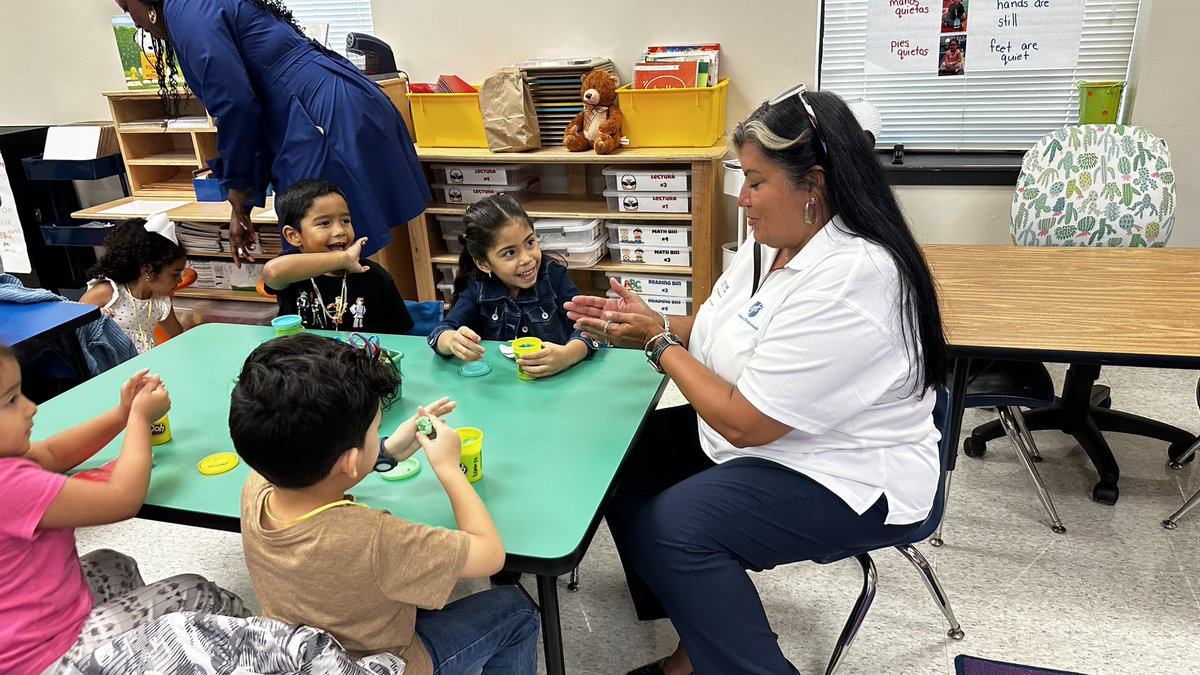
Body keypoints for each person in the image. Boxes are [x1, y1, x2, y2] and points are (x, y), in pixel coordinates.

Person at [565, 85, 948, 675]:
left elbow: (746, 424)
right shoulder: (770, 242)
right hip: (779, 434)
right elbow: (727, 325)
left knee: (674, 530)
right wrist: (655, 322)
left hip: (850, 471)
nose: (742, 198)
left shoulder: (854, 278)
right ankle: (699, 636)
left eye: (756, 182)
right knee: (618, 465)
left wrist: (657, 345)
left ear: (813, 186)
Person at [228, 334, 540, 675]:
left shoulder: (255, 487)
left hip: (302, 656)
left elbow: (327, 473)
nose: (379, 435)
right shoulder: (375, 539)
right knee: (516, 611)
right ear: (348, 460)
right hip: (384, 663)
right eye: (376, 430)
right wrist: (449, 468)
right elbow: (490, 556)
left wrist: (385, 451)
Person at [115, 0, 430, 267]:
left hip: (317, 117)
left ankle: (337, 335)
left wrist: (238, 195)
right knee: (339, 250)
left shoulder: (186, 9)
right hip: (335, 98)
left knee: (318, 251)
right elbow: (250, 108)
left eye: (128, 8)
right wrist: (243, 201)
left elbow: (236, 104)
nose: (136, 23)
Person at [0, 344, 246, 675]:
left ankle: (148, 657)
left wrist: (122, 412)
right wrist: (139, 419)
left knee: (114, 565)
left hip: (26, 629)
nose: (30, 408)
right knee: (196, 593)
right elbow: (122, 498)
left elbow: (50, 454)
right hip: (44, 656)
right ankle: (257, 657)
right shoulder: (9, 484)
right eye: (10, 401)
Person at [427, 193, 598, 379]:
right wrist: (452, 340)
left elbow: (589, 328)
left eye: (530, 242)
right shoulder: (478, 287)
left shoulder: (553, 276)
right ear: (483, 263)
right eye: (509, 253)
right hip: (501, 387)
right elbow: (439, 333)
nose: (527, 259)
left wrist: (566, 356)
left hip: (558, 384)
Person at [263, 179, 414, 334]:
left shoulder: (374, 276)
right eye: (324, 223)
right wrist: (345, 259)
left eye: (345, 220)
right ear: (293, 235)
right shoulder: (291, 270)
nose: (340, 230)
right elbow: (273, 272)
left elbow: (401, 337)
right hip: (301, 356)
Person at [80, 215, 187, 354]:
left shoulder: (160, 302)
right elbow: (73, 331)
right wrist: (93, 319)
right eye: (175, 274)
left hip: (145, 368)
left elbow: (179, 336)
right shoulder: (108, 293)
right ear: (148, 271)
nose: (180, 280)